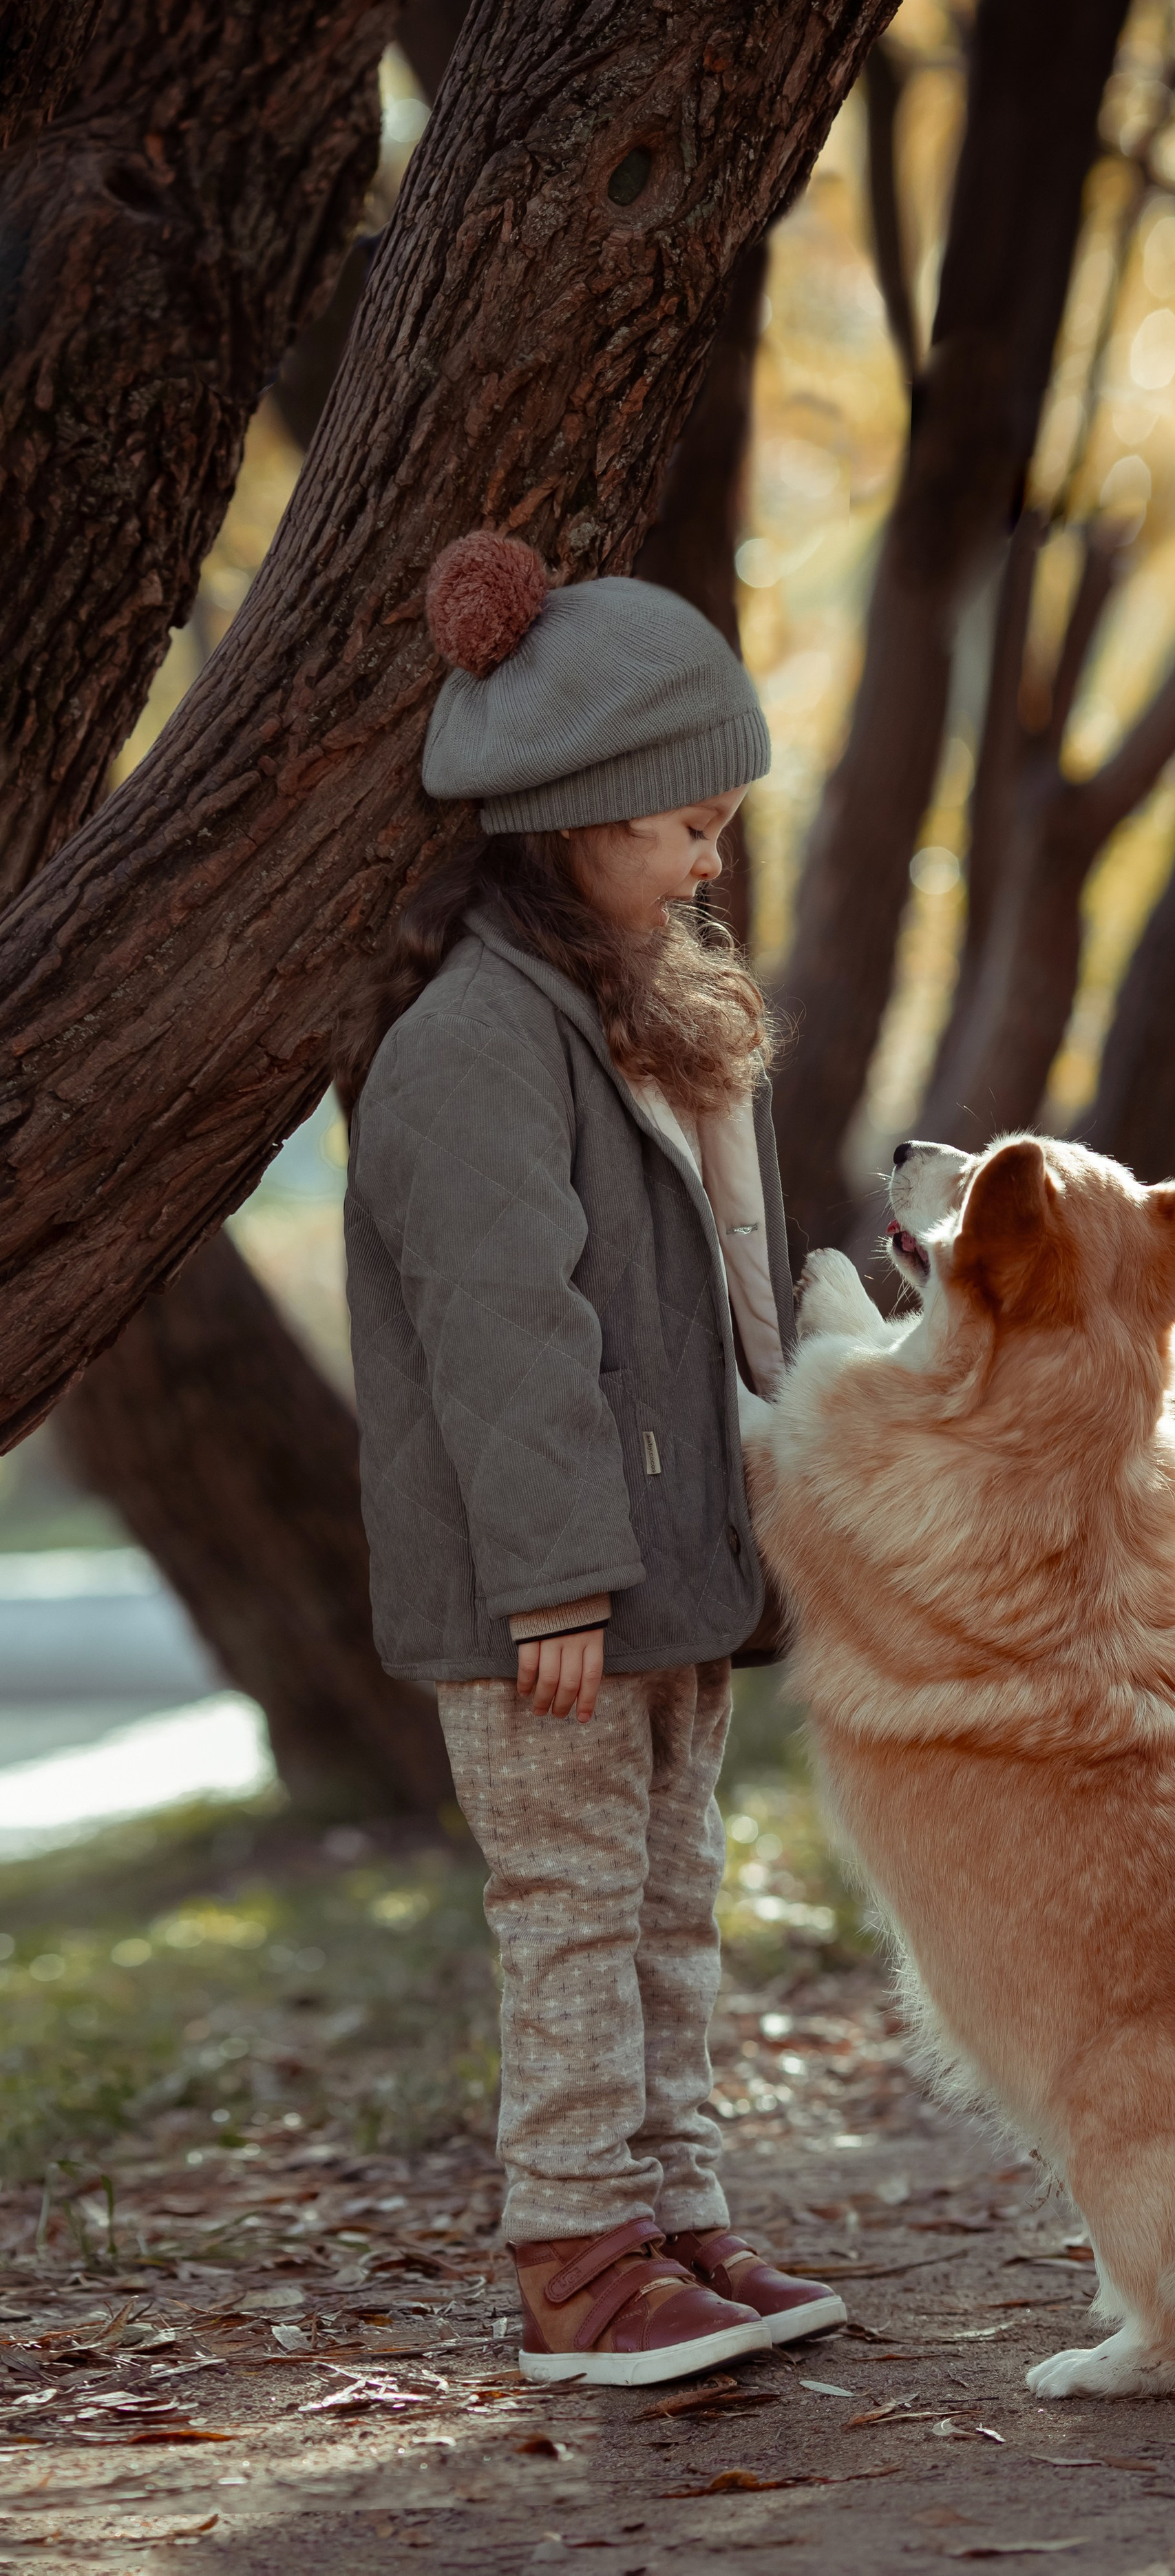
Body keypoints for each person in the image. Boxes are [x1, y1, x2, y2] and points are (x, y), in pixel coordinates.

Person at [335, 532, 843, 2387]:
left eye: (719, 825)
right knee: (566, 1907)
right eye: (687, 824)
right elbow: (506, 1329)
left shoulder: (648, 1014)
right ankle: (578, 2251)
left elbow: (713, 1306)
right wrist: (555, 1572)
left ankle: (677, 2214)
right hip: (544, 1597)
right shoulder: (472, 1043)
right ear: (574, 818)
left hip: (670, 1567)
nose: (714, 857)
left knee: (665, 1900)